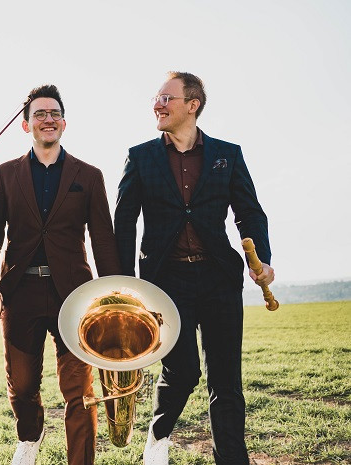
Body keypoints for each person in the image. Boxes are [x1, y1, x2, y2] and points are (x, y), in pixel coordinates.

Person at [113, 71, 275, 465]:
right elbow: (124, 222)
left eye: (166, 98)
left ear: (192, 105)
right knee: (183, 371)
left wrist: (263, 258)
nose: (158, 104)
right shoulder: (140, 156)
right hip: (165, 282)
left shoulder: (228, 154)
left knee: (227, 382)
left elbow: (249, 213)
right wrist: (126, 285)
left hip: (220, 278)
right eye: (156, 98)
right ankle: (158, 435)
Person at [0, 84, 121, 465]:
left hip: (73, 295)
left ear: (64, 123)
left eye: (54, 113)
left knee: (79, 389)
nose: (48, 119)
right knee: (22, 385)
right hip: (20, 291)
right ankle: (30, 434)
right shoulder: (5, 173)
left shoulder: (89, 175)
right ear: (26, 125)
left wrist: (114, 295)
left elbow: (103, 238)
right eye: (39, 114)